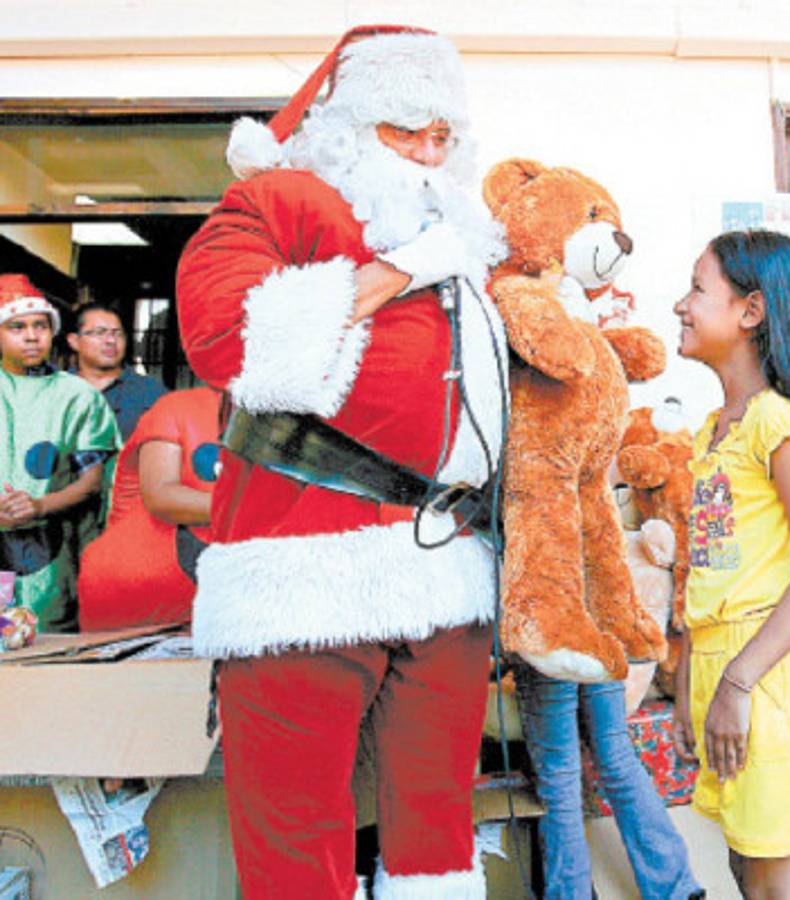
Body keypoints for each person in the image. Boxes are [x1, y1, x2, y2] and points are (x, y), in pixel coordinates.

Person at [174, 25, 508, 898]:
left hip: (448, 566)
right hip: (303, 562)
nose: (430, 156)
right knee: (294, 828)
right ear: (351, 127)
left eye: (445, 138)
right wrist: (397, 271)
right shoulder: (278, 200)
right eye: (407, 132)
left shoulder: (463, 236)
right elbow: (233, 341)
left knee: (437, 828)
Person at [671, 230, 790, 899]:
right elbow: (711, 571)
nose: (679, 305)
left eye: (696, 288)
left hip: (763, 676)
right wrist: (692, 679)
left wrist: (736, 684)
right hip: (724, 670)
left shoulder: (776, 422)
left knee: (776, 881)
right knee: (745, 870)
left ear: (750, 311)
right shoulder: (714, 429)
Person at [514, 661, 704, 899]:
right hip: (601, 642)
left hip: (547, 647)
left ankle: (572, 894)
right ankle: (676, 890)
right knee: (618, 760)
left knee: (560, 778)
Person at [0, 274, 119, 632]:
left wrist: (38, 506)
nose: (32, 335)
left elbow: (92, 482)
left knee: (46, 648)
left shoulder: (79, 397)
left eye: (40, 325)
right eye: (17, 326)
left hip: (54, 557)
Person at [77, 385, 221, 630]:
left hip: (212, 592)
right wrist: (258, 508)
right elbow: (162, 496)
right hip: (142, 589)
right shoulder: (177, 407)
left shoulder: (285, 420)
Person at [67, 301, 166, 441]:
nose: (111, 340)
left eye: (118, 333)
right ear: (74, 341)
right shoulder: (56, 392)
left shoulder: (152, 393)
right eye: (100, 332)